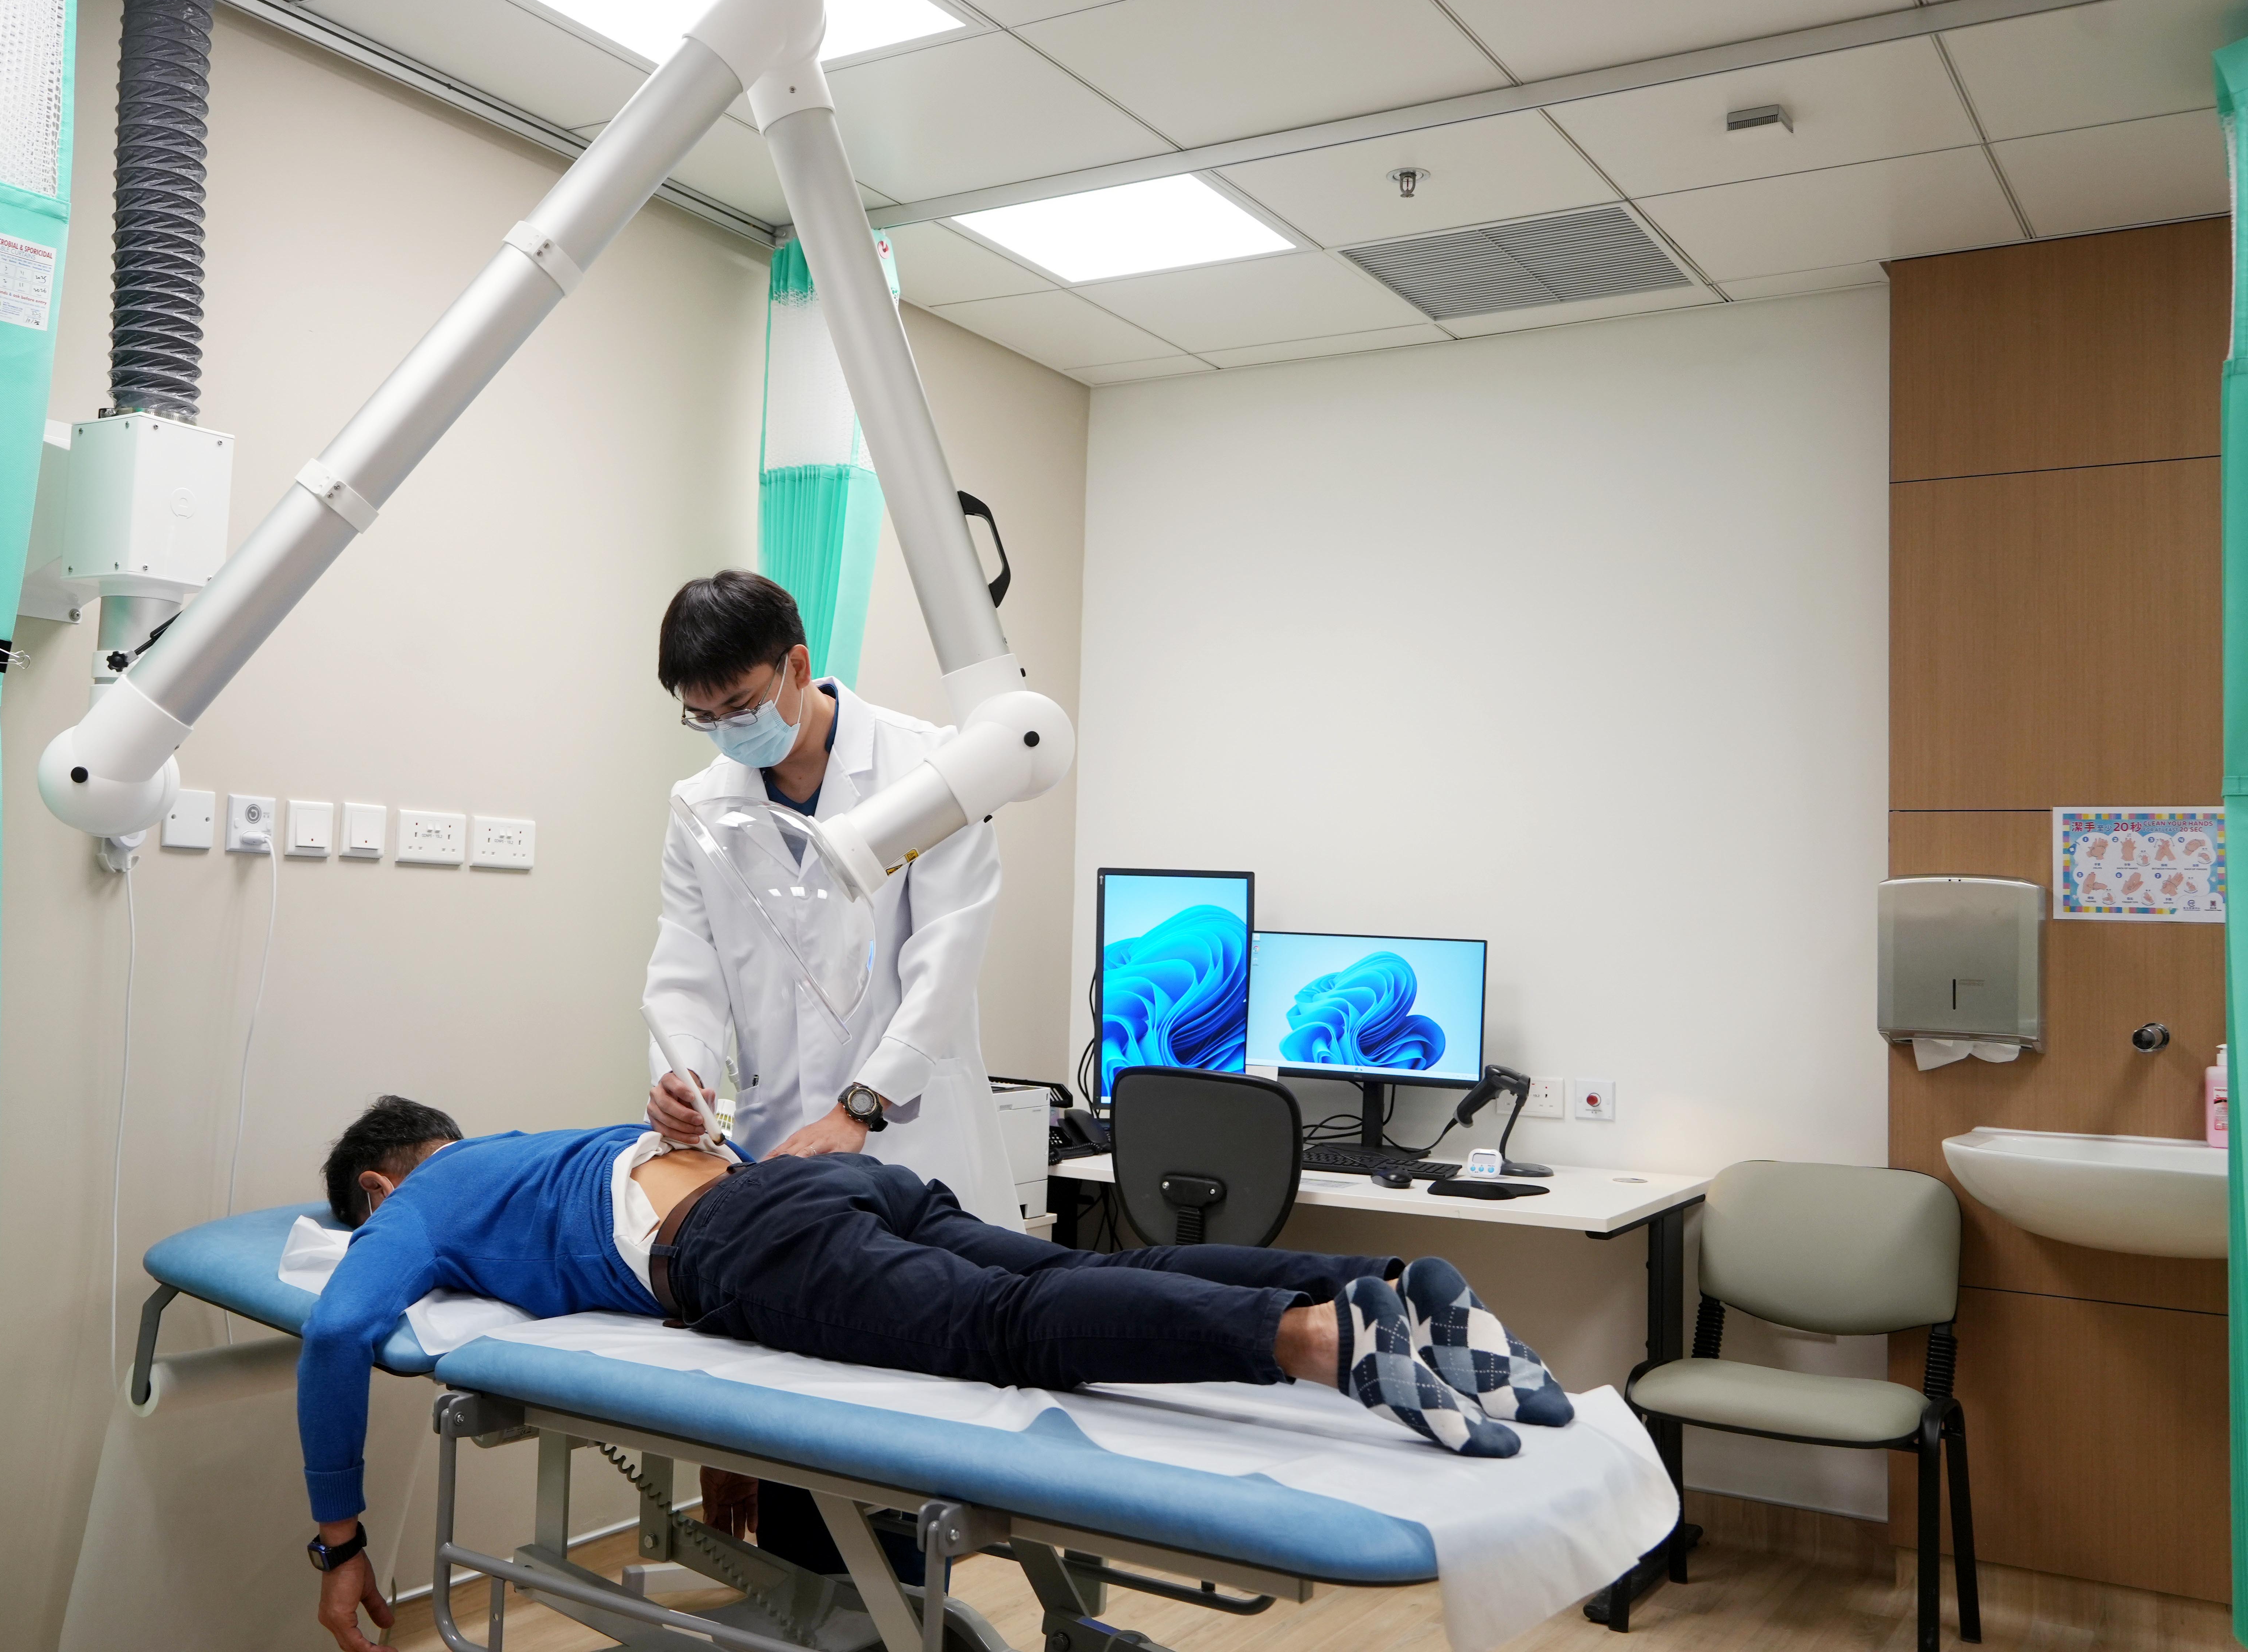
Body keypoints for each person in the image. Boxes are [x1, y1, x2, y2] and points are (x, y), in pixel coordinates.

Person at [301, 1097, 1574, 1652]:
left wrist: (339, 1543)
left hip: (742, 1239)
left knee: (1010, 1328)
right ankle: (1386, 1285)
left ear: (378, 1185)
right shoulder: (540, 1145)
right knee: (1057, 1273)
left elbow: (340, 1329)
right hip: (826, 1180)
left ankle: (1320, 1345)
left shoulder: (427, 1198)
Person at [642, 570, 1015, 1225]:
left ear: (797, 666)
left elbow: (945, 968)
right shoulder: (699, 805)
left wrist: (862, 1106)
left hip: (909, 1135)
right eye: (704, 717)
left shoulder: (932, 770)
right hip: (776, 1136)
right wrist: (684, 1077)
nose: (727, 730)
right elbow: (686, 969)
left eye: (740, 706)